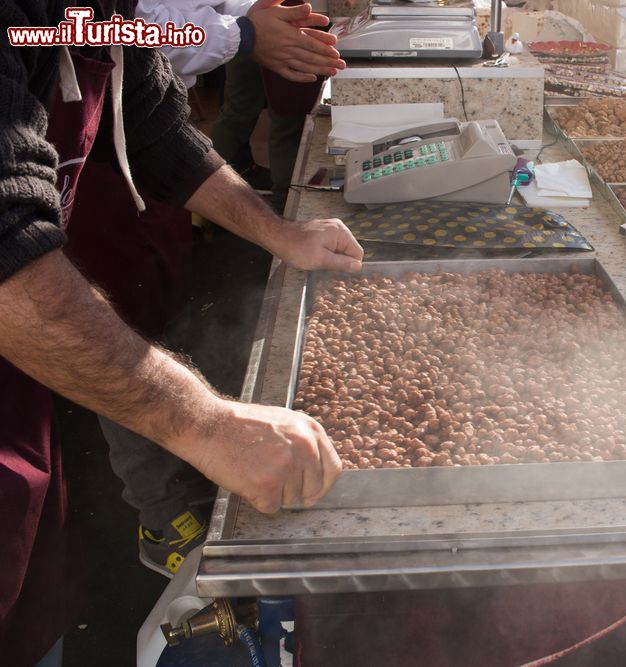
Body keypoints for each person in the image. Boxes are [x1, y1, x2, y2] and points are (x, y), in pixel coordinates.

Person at [0, 1, 362, 664]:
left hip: (20, 401)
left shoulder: (95, 11)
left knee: (29, 604)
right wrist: (207, 425)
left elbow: (157, 126)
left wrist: (282, 234)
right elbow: (6, 251)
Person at [137, 0, 345, 201]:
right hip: (131, 116)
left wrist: (251, 13)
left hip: (166, 102)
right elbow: (138, 29)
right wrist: (244, 32)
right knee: (272, 117)